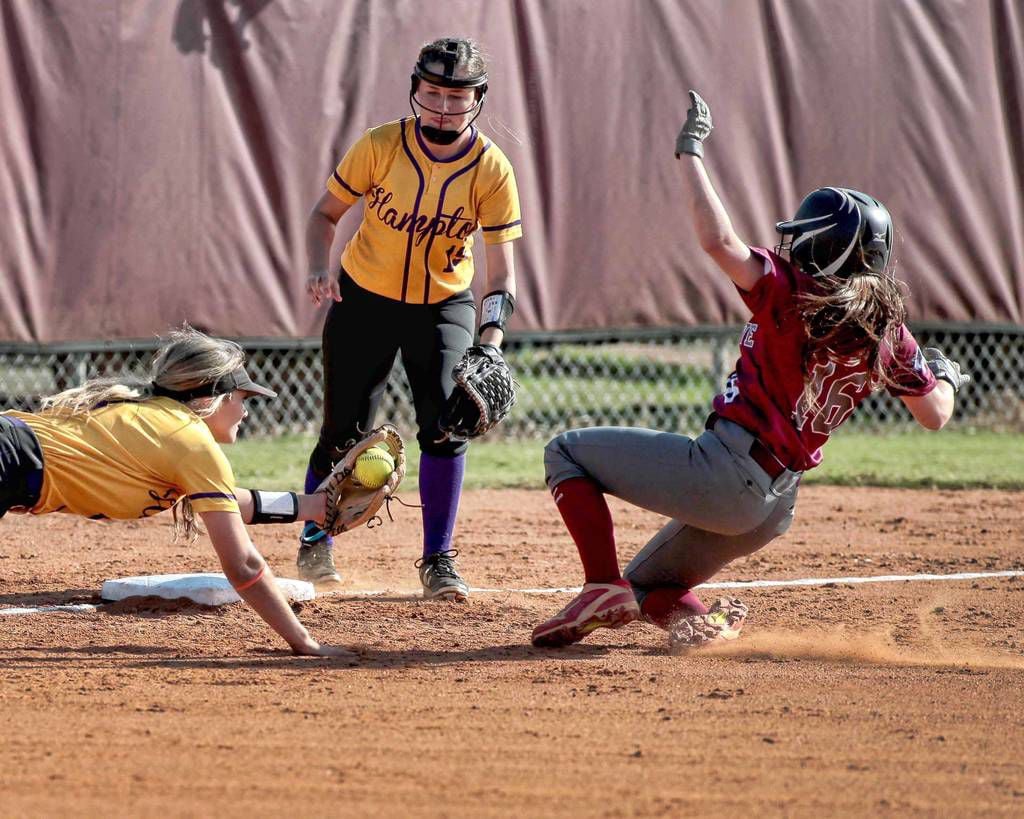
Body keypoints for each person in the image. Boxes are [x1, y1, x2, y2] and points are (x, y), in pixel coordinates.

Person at [531, 91, 971, 651]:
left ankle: (599, 586)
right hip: (774, 506)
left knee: (564, 452)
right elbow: (934, 415)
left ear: (826, 250)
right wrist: (948, 376)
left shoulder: (792, 294)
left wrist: (690, 153)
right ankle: (697, 626)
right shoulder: (890, 335)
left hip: (727, 471)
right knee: (648, 585)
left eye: (806, 236)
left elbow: (718, 241)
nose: (792, 243)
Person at [299, 36, 523, 600]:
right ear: (414, 92)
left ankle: (438, 561)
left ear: (478, 99)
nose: (444, 106)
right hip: (364, 301)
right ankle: (314, 538)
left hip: (444, 308)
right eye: (433, 93)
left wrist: (491, 341)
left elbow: (500, 277)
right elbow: (324, 215)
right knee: (341, 432)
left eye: (458, 96)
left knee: (447, 428)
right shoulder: (379, 145)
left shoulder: (492, 169)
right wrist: (318, 268)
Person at [1, 326, 352, 657]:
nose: (245, 412)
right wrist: (304, 641)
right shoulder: (190, 441)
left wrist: (314, 507)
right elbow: (243, 564)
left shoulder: (157, 419)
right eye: (242, 397)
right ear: (214, 397)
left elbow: (226, 502)